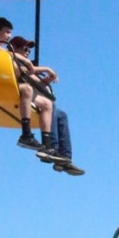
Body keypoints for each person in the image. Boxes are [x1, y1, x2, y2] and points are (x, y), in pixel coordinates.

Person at [0, 18, 60, 160]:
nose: (9, 36)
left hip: (6, 84)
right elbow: (17, 67)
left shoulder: (3, 51)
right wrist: (31, 64)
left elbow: (19, 68)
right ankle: (26, 135)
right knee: (27, 89)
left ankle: (47, 146)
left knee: (47, 104)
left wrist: (39, 74)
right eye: (7, 32)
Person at [8, 36, 84, 176]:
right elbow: (27, 71)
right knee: (51, 106)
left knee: (62, 115)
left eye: (29, 51)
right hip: (19, 93)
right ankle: (51, 147)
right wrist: (47, 69)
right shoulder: (13, 60)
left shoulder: (26, 65)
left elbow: (36, 81)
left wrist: (46, 80)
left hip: (33, 96)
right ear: (15, 49)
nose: (27, 52)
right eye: (24, 49)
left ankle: (65, 157)